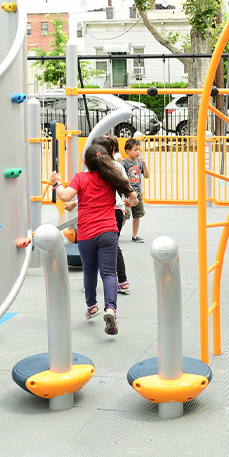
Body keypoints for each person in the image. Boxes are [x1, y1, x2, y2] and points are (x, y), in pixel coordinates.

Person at [51, 143, 136, 336]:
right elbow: (132, 197)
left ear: (85, 162)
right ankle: (111, 309)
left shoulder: (80, 178)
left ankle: (92, 306)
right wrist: (132, 201)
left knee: (90, 270)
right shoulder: (111, 178)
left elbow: (64, 196)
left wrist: (56, 182)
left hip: (87, 233)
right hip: (108, 231)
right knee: (108, 273)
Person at [97, 135, 131, 293]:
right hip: (117, 209)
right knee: (113, 244)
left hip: (104, 209)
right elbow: (126, 186)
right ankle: (122, 280)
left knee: (96, 244)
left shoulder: (96, 167)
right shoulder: (117, 166)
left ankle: (91, 281)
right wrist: (128, 200)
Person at [121, 138, 149, 243]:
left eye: (139, 150)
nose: (138, 152)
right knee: (125, 214)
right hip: (127, 193)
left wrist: (145, 165)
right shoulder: (124, 163)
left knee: (137, 214)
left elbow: (146, 176)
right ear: (128, 151)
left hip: (138, 192)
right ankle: (116, 232)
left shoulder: (139, 162)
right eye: (135, 149)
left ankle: (135, 235)